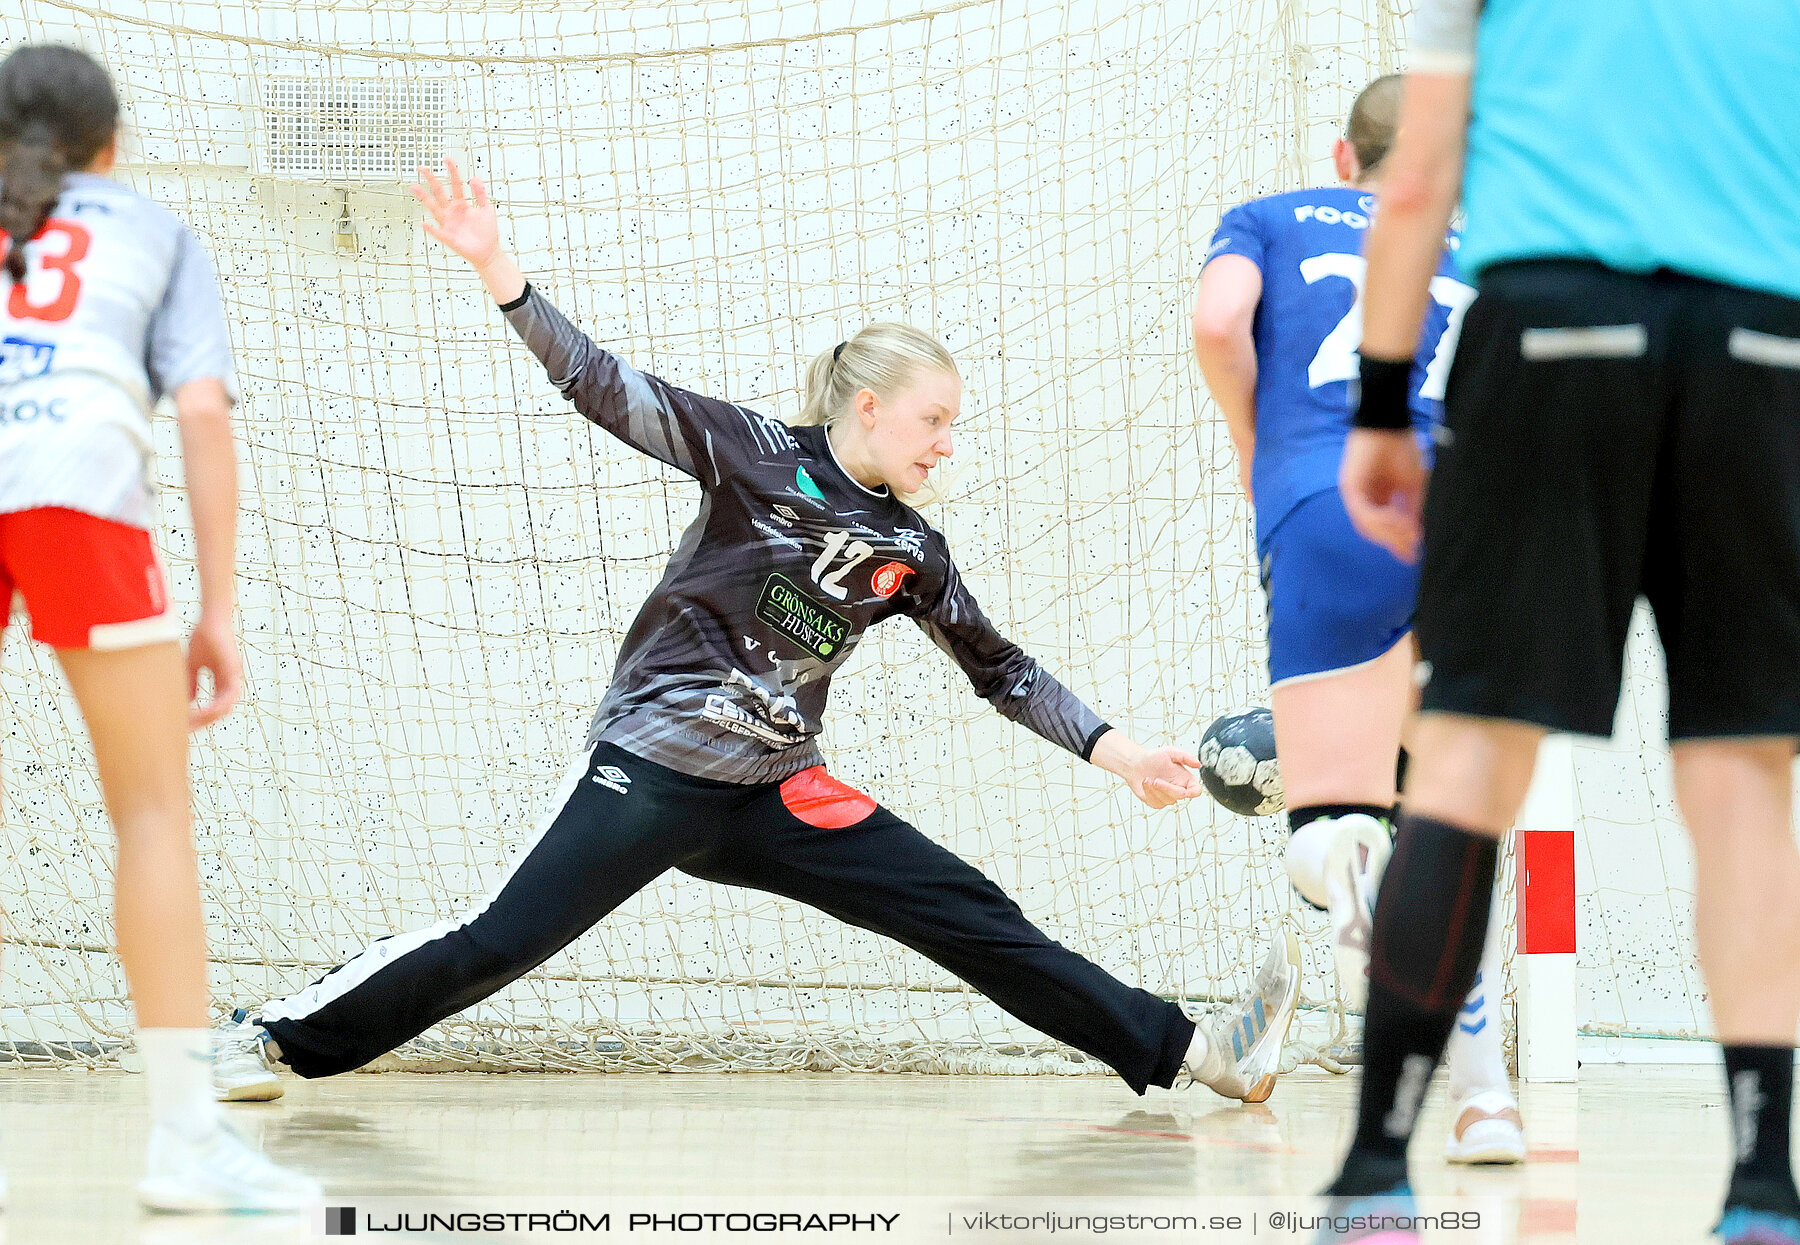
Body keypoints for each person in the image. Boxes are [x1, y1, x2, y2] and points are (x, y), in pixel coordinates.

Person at [212, 160, 1304, 1108]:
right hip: (652, 770)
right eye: (936, 421)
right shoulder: (749, 453)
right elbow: (599, 382)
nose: (948, 446)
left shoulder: (909, 549)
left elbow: (1001, 670)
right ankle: (264, 1034)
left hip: (779, 791)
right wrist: (502, 271)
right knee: (497, 940)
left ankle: (1207, 1058)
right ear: (868, 406)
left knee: (971, 915)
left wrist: (1118, 753)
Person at [1329, 2, 1800, 1242]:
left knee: (1472, 753)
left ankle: (1375, 1174)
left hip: (1551, 335)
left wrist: (1382, 405)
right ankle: (1762, 1191)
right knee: (1745, 777)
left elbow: (1419, 170)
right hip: (1765, 349)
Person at [0, 44, 319, 1212]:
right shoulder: (151, 232)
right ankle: (184, 1145)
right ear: (111, 146)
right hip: (79, 487)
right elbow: (198, 410)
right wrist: (220, 606)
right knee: (149, 812)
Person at [1191, 75, 1520, 1165]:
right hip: (1473, 508)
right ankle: (1485, 1106)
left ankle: (1348, 875)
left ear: (1346, 156)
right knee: (1451, 808)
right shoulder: (1493, 247)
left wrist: (1258, 447)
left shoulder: (1275, 216)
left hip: (1331, 495)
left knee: (1335, 819)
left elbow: (1217, 321)